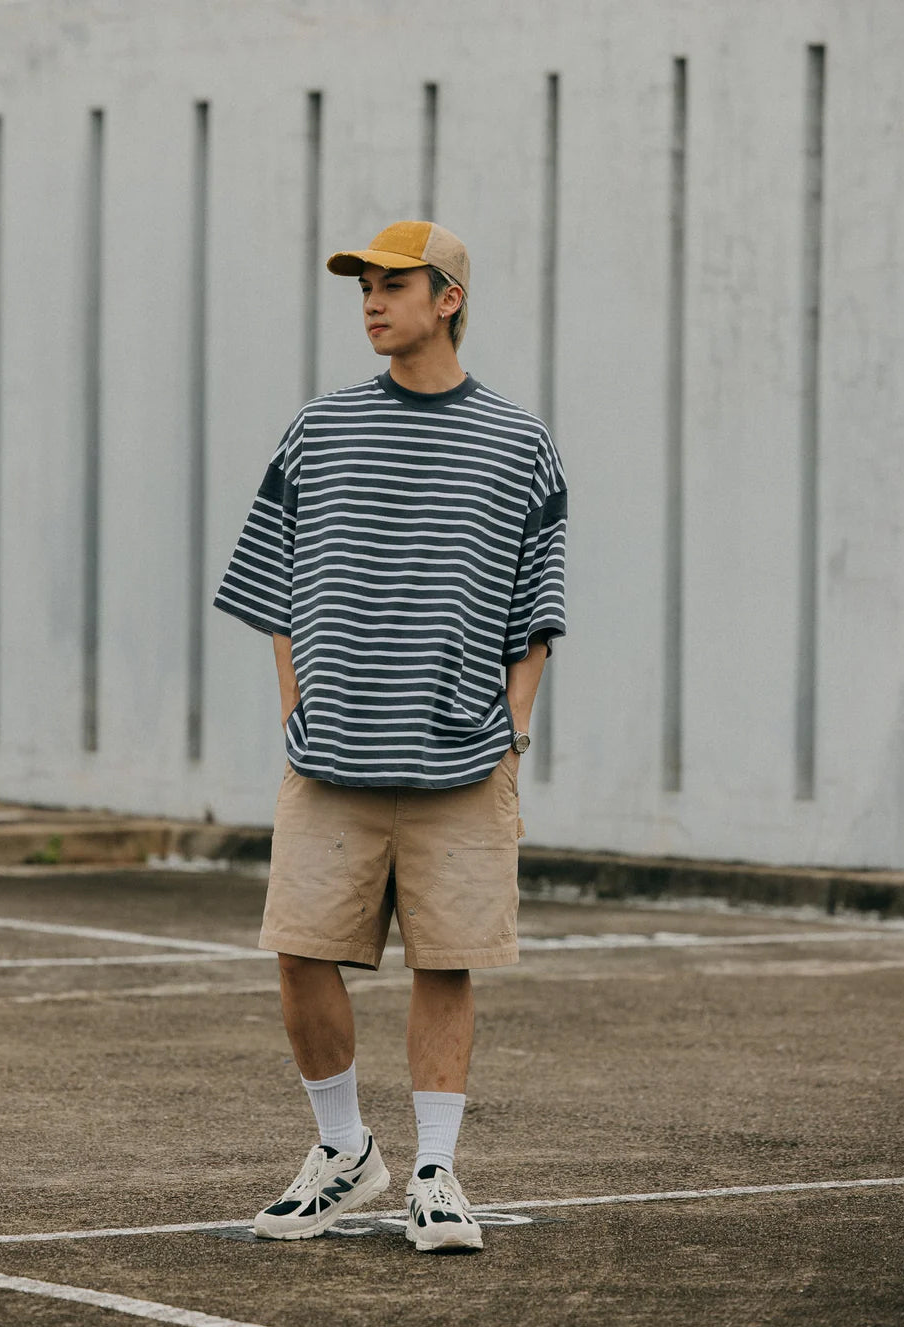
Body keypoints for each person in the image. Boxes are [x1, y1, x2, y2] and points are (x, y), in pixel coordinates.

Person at [211, 220, 567, 1252]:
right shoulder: (318, 429)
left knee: (446, 964)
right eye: (363, 285)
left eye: (393, 284)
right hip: (331, 755)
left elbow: (537, 605)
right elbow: (271, 575)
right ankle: (343, 1152)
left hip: (462, 758)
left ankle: (438, 1173)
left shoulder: (518, 441)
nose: (371, 300)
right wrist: (294, 701)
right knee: (298, 952)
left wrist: (516, 725)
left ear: (447, 297)